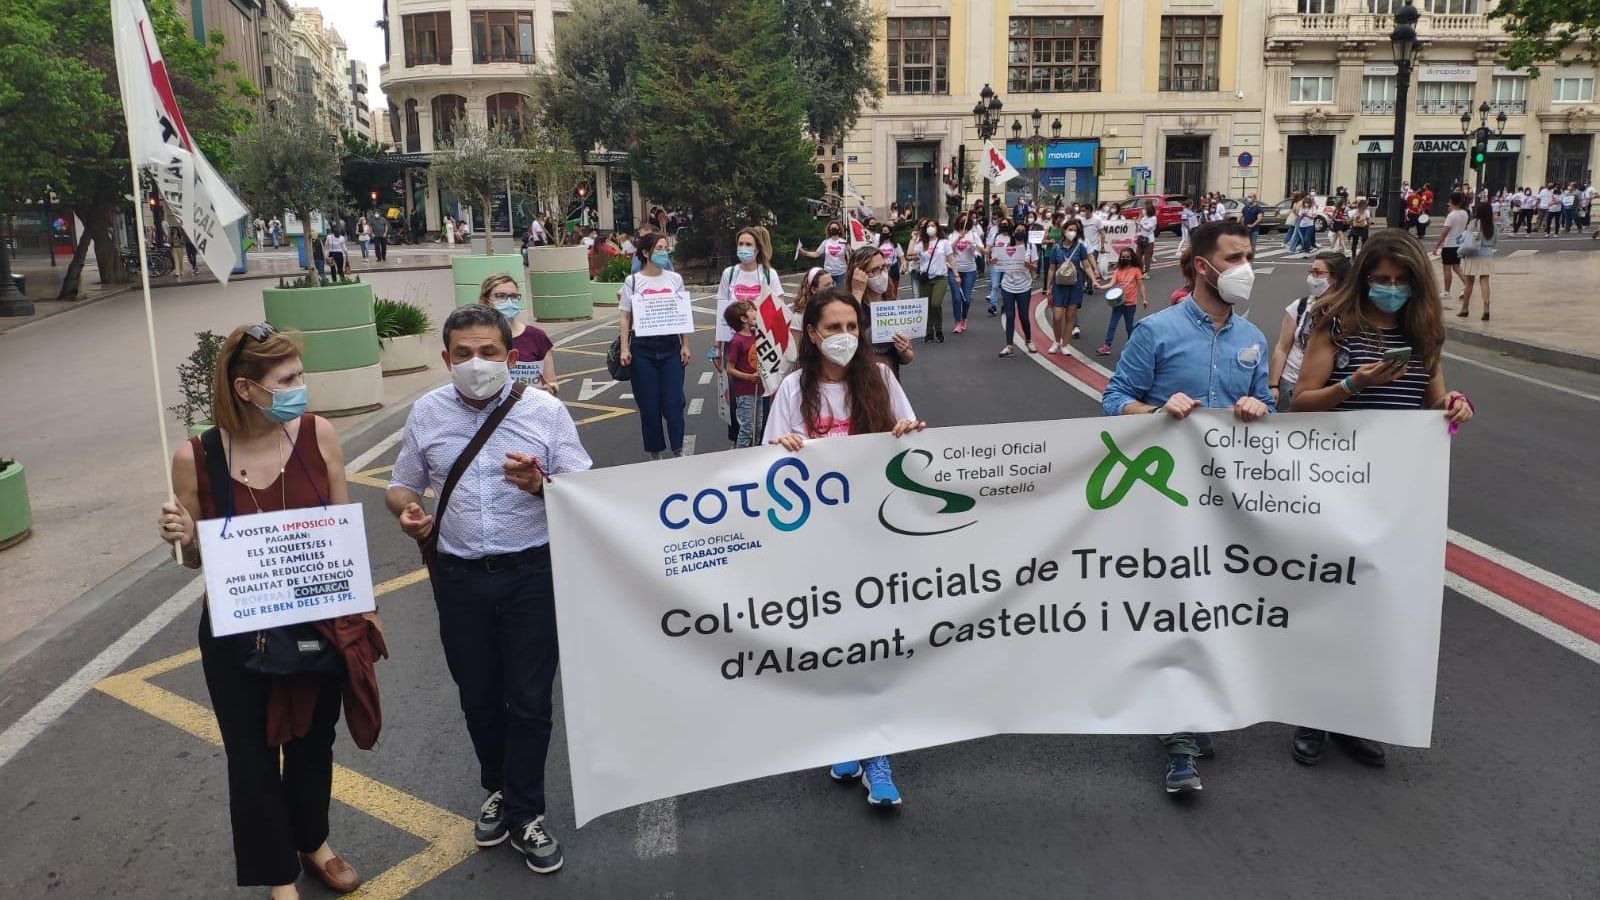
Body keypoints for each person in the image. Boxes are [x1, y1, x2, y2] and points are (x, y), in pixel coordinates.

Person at [157, 323, 382, 899]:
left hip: (318, 620)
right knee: (252, 757)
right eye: (286, 379)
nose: (299, 387)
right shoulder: (196, 458)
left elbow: (341, 531)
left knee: (314, 741)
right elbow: (192, 562)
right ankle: (278, 874)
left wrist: (360, 613)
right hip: (238, 635)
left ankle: (314, 843)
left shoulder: (319, 435)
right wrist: (184, 537)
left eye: (299, 375)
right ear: (245, 388)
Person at [386, 305, 590, 877]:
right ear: (446, 358)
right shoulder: (427, 412)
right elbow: (402, 485)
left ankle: (526, 812)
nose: (477, 364)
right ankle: (497, 786)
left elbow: (584, 489)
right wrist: (408, 511)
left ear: (512, 356)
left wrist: (542, 484)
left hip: (531, 574)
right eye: (465, 354)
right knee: (478, 695)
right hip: (459, 578)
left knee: (528, 699)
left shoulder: (545, 412)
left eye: (490, 353)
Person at [1286, 230, 1474, 768]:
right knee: (1330, 600)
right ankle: (1312, 716)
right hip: (1334, 485)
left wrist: (1455, 405)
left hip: (1393, 492)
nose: (1390, 289)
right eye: (1381, 280)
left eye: (1400, 281)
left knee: (1375, 606)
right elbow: (1301, 404)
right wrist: (1356, 385)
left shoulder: (1422, 335)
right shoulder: (1337, 325)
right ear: (1365, 276)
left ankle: (1353, 716)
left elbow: (1435, 404)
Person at [1101, 221, 1274, 795]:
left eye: (1249, 255)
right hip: (1167, 497)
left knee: (1218, 608)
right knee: (1177, 609)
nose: (1245, 266)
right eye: (1234, 257)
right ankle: (1177, 740)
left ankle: (1195, 703)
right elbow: (1112, 401)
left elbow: (1270, 403)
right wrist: (1154, 410)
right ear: (1203, 265)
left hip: (1230, 501)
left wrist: (1257, 405)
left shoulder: (1251, 336)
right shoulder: (1156, 332)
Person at [761, 286, 925, 807]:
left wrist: (907, 432)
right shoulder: (792, 390)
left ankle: (878, 756)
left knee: (874, 643)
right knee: (834, 644)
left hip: (876, 536)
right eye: (833, 328)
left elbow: (916, 441)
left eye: (853, 328)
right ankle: (845, 735)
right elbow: (765, 462)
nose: (845, 337)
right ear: (812, 333)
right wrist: (780, 448)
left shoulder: (879, 378)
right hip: (817, 543)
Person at [618, 233, 692, 459]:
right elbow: (624, 317)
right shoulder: (633, 281)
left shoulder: (674, 279)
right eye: (659, 248)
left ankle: (678, 450)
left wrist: (685, 344)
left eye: (665, 248)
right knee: (649, 406)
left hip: (670, 346)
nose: (664, 252)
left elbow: (682, 313)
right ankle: (655, 454)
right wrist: (624, 348)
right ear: (646, 253)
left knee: (673, 402)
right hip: (643, 349)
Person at [1269, 250, 1351, 407]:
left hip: (1327, 388)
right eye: (1310, 271)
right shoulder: (1300, 306)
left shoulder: (1350, 312)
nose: (1312, 277)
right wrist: (1273, 386)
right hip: (1290, 384)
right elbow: (1282, 348)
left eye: (1318, 273)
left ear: (1335, 278)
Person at [477, 275, 557, 395]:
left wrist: (551, 388)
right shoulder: (477, 338)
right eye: (501, 296)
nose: (509, 302)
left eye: (513, 296)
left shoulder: (536, 336)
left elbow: (551, 381)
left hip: (531, 408)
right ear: (486, 301)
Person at [843, 245, 915, 374]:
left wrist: (904, 350)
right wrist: (857, 292)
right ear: (859, 274)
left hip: (890, 382)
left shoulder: (894, 306)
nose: (882, 274)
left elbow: (907, 358)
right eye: (875, 270)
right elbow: (845, 343)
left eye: (883, 267)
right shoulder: (849, 305)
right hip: (860, 381)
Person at [1047, 222, 1095, 353]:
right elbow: (1051, 268)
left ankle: (1065, 345)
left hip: (1075, 285)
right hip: (1058, 285)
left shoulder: (1080, 247)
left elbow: (1086, 266)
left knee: (1070, 316)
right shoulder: (1056, 248)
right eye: (1070, 229)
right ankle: (1056, 341)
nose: (1072, 232)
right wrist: (1048, 287)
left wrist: (1094, 280)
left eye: (1075, 230)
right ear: (1064, 230)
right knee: (1057, 317)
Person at [992, 221, 1038, 357]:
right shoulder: (1006, 247)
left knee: (1024, 316)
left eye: (1023, 230)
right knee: (1010, 316)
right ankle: (1009, 345)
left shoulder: (1031, 247)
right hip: (1008, 285)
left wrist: (1027, 264)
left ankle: (1028, 340)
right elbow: (998, 263)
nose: (1020, 232)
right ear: (1013, 232)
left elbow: (1035, 267)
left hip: (1024, 285)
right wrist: (993, 261)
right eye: (1018, 230)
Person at [723, 300, 761, 448]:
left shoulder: (756, 334)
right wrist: (749, 377)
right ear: (743, 319)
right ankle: (741, 457)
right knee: (747, 429)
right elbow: (730, 368)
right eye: (751, 310)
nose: (755, 312)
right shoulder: (736, 341)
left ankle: (753, 457)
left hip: (758, 389)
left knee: (757, 427)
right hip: (745, 392)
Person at [906, 220, 951, 342]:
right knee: (927, 307)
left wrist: (956, 275)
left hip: (940, 277)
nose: (930, 228)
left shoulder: (944, 242)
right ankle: (929, 332)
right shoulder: (922, 243)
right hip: (925, 278)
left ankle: (939, 329)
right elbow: (909, 254)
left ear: (937, 228)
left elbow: (950, 258)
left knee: (935, 304)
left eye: (933, 226)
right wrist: (915, 238)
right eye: (928, 226)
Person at [1096, 246, 1146, 356]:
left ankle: (1131, 346)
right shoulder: (1118, 271)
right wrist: (1100, 287)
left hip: (1130, 303)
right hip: (1118, 303)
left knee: (1129, 326)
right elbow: (1111, 283)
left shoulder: (1136, 270)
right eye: (1123, 257)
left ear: (1132, 257)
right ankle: (1107, 346)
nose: (1125, 259)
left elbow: (1141, 285)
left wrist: (1144, 299)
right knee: (1112, 324)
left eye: (1127, 257)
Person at [1457, 200, 1498, 321]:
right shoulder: (1493, 225)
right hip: (1487, 255)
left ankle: (1465, 308)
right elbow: (1495, 241)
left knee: (1469, 283)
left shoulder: (1474, 223)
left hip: (1473, 254)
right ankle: (1486, 308)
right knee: (1484, 281)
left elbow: (1466, 238)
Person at [945, 214, 983, 333]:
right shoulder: (952, 235)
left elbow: (981, 250)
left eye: (965, 221)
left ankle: (964, 318)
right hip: (954, 270)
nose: (962, 223)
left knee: (966, 299)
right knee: (956, 298)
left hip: (970, 271)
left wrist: (972, 244)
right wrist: (958, 239)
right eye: (960, 221)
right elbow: (948, 250)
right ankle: (957, 322)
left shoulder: (973, 235)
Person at [1431, 192, 1469, 301]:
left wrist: (1437, 245)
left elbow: (1445, 232)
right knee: (1456, 267)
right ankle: (1467, 285)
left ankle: (1447, 292)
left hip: (1449, 245)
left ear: (1451, 201)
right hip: (1459, 244)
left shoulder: (1451, 215)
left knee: (1447, 268)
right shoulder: (1464, 213)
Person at [878, 226, 902, 300]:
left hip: (893, 268)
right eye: (883, 231)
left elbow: (901, 257)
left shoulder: (895, 245)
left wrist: (902, 267)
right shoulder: (878, 246)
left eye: (886, 231)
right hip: (882, 269)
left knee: (893, 291)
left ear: (890, 233)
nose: (884, 233)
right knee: (883, 291)